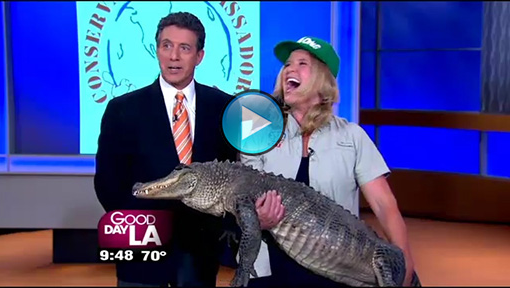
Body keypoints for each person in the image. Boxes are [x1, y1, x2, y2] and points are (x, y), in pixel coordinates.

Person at [240, 36, 416, 287]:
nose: (289, 69)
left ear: (324, 81)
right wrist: (257, 217)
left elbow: (384, 204)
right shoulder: (260, 132)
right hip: (270, 268)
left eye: (302, 63)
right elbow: (244, 193)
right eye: (287, 64)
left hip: (336, 268)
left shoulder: (351, 136)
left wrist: (404, 259)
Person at [94, 12, 239, 287]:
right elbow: (108, 185)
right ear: (157, 49)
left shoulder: (223, 108)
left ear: (199, 56)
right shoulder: (123, 110)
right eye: (166, 45)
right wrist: (144, 232)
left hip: (201, 255)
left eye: (184, 48)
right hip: (142, 255)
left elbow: (233, 176)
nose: (174, 56)